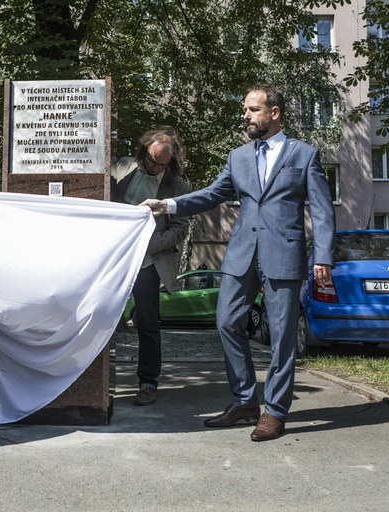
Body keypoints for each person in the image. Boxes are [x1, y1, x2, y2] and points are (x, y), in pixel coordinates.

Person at [143, 84, 335, 442]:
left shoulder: (304, 155)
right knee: (227, 320)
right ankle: (246, 400)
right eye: (246, 109)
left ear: (273, 113)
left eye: (252, 109)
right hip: (241, 253)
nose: (245, 115)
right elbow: (214, 194)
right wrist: (167, 205)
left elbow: (323, 210)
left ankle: (275, 411)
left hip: (284, 253)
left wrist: (322, 254)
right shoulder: (239, 157)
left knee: (280, 337)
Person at [111, 127, 191, 406]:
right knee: (100, 316)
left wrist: (146, 244)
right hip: (113, 259)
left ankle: (148, 383)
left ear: (172, 162)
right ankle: (91, 377)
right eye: (151, 160)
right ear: (143, 151)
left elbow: (180, 230)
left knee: (146, 323)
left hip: (147, 263)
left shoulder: (179, 187)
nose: (154, 166)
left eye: (162, 163)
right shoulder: (121, 168)